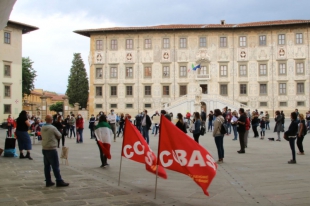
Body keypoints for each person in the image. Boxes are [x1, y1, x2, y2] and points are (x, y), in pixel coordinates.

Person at [41, 115, 69, 187]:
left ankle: (48, 181)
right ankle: (59, 180)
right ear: (51, 120)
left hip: (44, 148)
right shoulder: (53, 128)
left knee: (46, 166)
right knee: (55, 165)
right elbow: (59, 135)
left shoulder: (43, 127)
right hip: (51, 148)